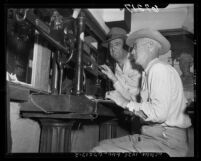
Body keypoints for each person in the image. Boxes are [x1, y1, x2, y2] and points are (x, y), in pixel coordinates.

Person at [91, 28, 191, 157]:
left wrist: (124, 102)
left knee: (98, 151)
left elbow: (158, 113)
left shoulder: (158, 69)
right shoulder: (149, 72)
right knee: (102, 145)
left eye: (135, 47)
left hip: (166, 141)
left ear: (149, 46)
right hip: (153, 136)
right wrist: (120, 92)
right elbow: (135, 102)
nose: (132, 52)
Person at [100, 27, 143, 103]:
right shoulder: (115, 69)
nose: (113, 48)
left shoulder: (137, 63)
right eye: (110, 45)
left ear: (125, 46)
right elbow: (124, 96)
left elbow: (136, 98)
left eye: (117, 44)